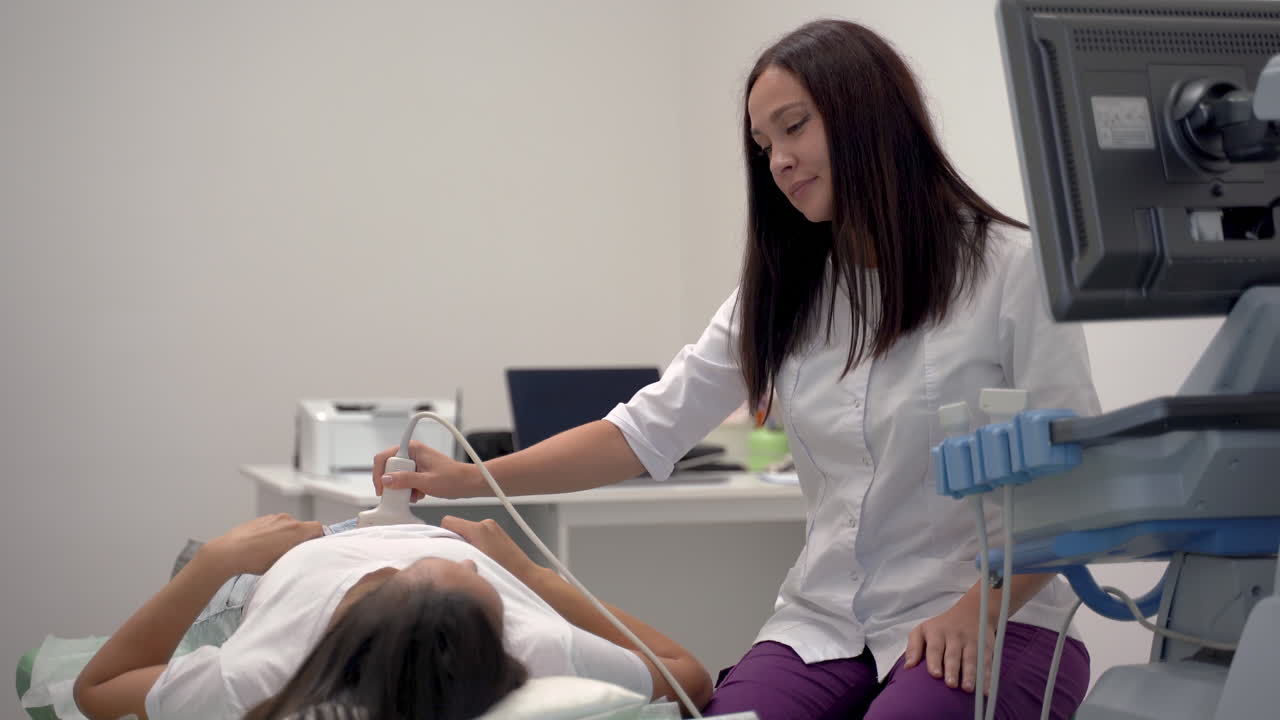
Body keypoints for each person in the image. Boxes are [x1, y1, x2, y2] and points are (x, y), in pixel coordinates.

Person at [373, 19, 1097, 720]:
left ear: (869, 115)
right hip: (826, 624)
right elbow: (641, 433)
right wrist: (470, 479)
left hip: (996, 614)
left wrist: (976, 608)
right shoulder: (781, 294)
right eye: (762, 143)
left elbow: (1076, 490)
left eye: (794, 126)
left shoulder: (1011, 271)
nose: (777, 159)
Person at [72, 513, 712, 720]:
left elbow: (95, 690)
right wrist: (529, 573)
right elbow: (690, 676)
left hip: (276, 574)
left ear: (375, 610)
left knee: (204, 580)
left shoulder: (260, 673)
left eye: (464, 569)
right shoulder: (539, 642)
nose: (467, 565)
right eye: (474, 574)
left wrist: (214, 561)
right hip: (316, 552)